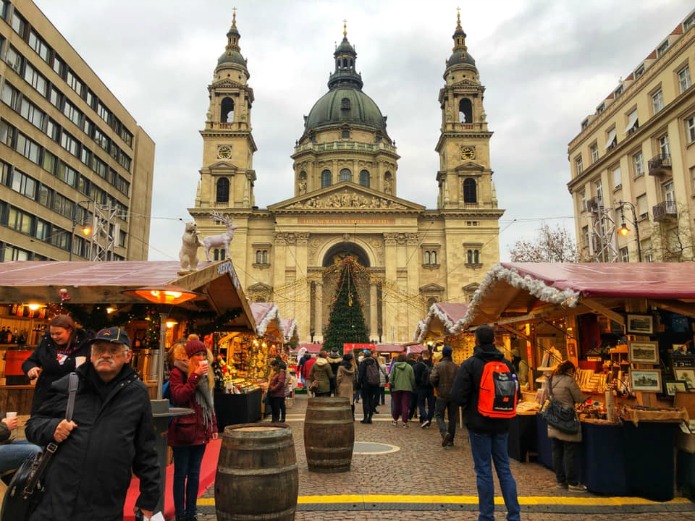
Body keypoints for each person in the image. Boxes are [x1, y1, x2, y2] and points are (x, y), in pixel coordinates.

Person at [25, 326, 160, 521]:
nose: (105, 355)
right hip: (58, 502)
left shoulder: (137, 393)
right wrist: (52, 428)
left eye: (113, 350)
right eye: (99, 350)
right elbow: (32, 425)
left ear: (128, 356)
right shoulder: (70, 384)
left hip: (105, 503)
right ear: (91, 354)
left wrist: (148, 498)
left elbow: (146, 449)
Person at [451, 324, 521, 521]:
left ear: (476, 341)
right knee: (504, 469)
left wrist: (469, 407)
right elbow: (517, 393)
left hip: (479, 424)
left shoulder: (471, 364)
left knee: (483, 471)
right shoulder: (507, 363)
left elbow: (457, 396)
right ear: (494, 340)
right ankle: (514, 515)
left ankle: (487, 516)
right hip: (502, 424)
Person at [168, 338, 219, 521]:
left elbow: (209, 404)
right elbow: (179, 396)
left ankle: (191, 512)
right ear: (189, 357)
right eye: (197, 354)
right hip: (183, 431)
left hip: (201, 429)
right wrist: (195, 376)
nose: (201, 357)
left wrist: (213, 425)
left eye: (203, 354)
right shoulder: (178, 372)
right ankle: (180, 515)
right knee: (180, 473)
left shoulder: (207, 376)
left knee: (195, 473)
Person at [22, 314, 93, 414]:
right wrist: (31, 368)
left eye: (58, 333)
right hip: (46, 395)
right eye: (52, 333)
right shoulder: (46, 343)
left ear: (70, 330)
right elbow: (30, 361)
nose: (54, 337)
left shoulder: (85, 345)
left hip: (73, 396)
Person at [548, 360, 587, 491]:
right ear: (570, 370)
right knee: (570, 450)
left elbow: (549, 396)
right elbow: (580, 398)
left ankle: (560, 481)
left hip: (554, 419)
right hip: (567, 419)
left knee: (557, 451)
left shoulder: (552, 379)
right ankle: (572, 482)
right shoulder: (569, 381)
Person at [430, 345, 459, 447]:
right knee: (452, 417)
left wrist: (436, 386)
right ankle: (451, 440)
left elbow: (433, 379)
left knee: (439, 415)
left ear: (443, 354)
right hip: (453, 395)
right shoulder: (456, 367)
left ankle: (444, 432)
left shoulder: (438, 365)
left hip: (441, 394)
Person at [389, 353, 416, 427]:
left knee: (396, 404)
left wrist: (391, 384)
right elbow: (412, 379)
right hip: (407, 388)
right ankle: (404, 422)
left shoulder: (394, 366)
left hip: (396, 388)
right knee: (405, 405)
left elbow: (391, 377)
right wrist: (413, 386)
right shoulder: (409, 367)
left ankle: (395, 420)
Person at [357, 350, 380, 424]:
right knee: (371, 400)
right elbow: (377, 371)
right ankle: (370, 418)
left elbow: (360, 374)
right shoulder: (375, 361)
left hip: (365, 384)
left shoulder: (363, 363)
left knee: (365, 401)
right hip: (374, 384)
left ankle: (365, 417)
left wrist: (359, 383)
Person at [413, 350, 435, 427]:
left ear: (422, 355)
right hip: (431, 387)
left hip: (421, 387)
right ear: (429, 356)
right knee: (431, 405)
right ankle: (429, 420)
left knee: (421, 403)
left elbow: (416, 378)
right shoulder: (433, 365)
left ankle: (425, 418)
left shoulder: (419, 365)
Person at [336, 353, 357, 419]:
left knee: (342, 401)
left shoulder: (340, 367)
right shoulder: (352, 367)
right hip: (350, 385)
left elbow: (339, 377)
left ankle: (342, 416)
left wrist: (338, 384)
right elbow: (354, 378)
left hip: (342, 385)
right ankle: (351, 416)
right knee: (351, 401)